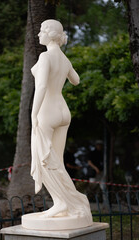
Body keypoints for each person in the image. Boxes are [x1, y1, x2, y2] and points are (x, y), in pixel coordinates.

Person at [30, 19, 92, 223]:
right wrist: (64, 70)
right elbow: (76, 80)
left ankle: (62, 202)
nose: (39, 34)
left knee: (45, 160)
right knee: (56, 162)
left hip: (47, 111)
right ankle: (68, 202)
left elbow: (40, 88)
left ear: (50, 34)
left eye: (41, 31)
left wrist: (33, 114)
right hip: (63, 112)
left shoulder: (45, 56)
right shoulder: (64, 59)